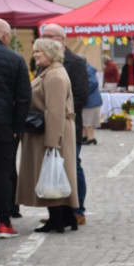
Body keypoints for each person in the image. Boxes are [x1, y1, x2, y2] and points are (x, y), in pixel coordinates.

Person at [17, 38, 80, 233]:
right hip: (50, 131)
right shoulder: (50, 73)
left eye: (40, 52)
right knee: (54, 174)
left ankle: (57, 219)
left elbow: (54, 110)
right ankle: (67, 217)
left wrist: (52, 141)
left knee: (51, 174)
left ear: (51, 54)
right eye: (35, 51)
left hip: (51, 132)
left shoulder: (54, 76)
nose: (35, 55)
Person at [0, 18, 30, 239]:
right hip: (1, 123)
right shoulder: (15, 58)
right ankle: (3, 222)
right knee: (3, 171)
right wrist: (16, 127)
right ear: (5, 36)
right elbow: (23, 98)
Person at [40, 24, 88, 226]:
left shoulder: (75, 62)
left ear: (63, 39)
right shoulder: (43, 62)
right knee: (54, 166)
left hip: (70, 124)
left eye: (52, 36)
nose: (49, 39)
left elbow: (81, 95)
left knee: (73, 165)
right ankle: (60, 211)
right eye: (45, 36)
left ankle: (78, 209)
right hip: (50, 123)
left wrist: (61, 111)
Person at [81, 61, 101, 145]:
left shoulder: (87, 70)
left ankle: (91, 138)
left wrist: (85, 91)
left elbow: (93, 83)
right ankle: (85, 136)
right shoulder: (88, 69)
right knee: (85, 120)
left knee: (87, 122)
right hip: (92, 100)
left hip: (90, 101)